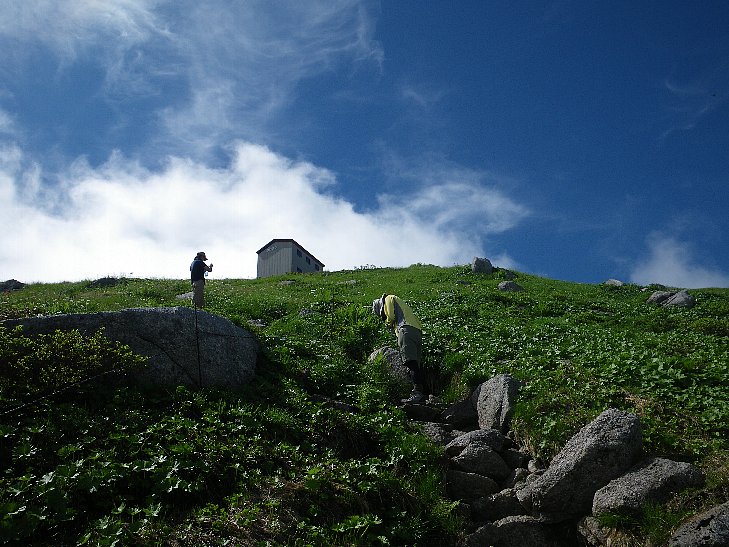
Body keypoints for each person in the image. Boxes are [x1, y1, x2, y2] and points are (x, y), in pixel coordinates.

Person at [372, 293, 427, 404]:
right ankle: (421, 393)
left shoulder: (388, 298)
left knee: (410, 362)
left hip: (405, 329)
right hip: (416, 331)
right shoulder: (398, 301)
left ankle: (417, 394)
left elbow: (390, 316)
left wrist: (387, 324)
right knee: (415, 364)